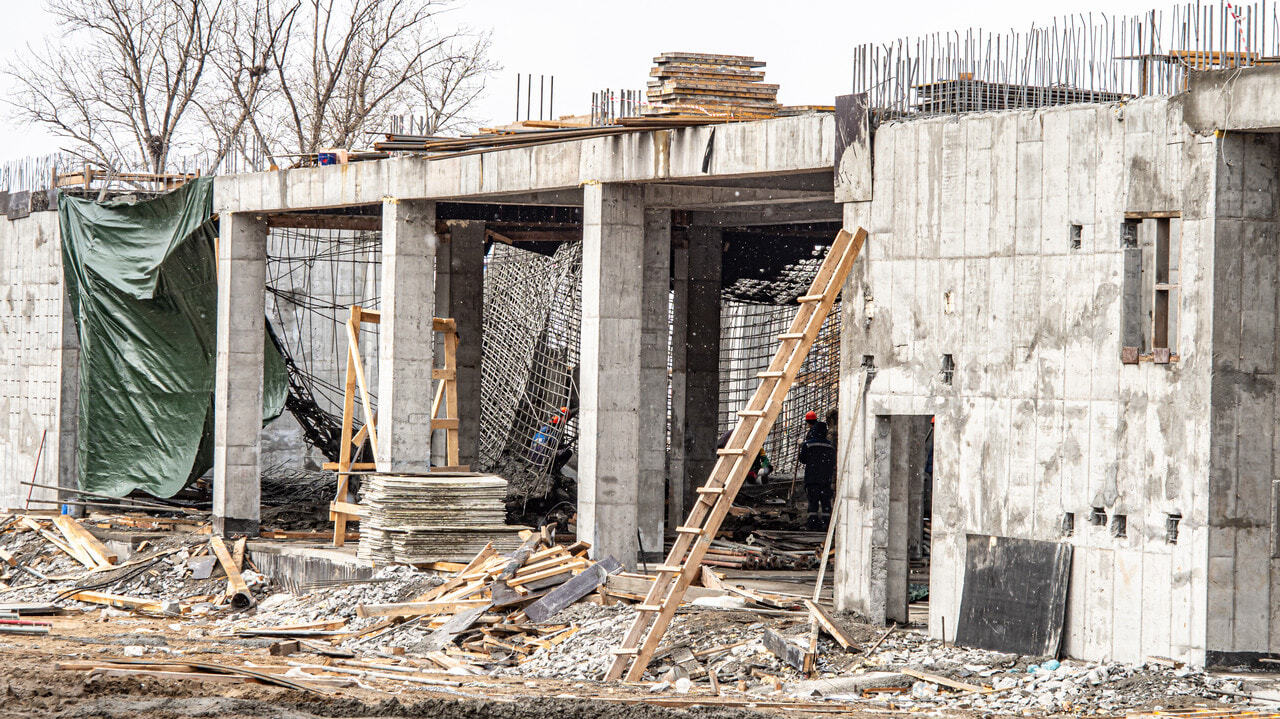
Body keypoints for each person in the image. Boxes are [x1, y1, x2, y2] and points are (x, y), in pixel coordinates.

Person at [799, 421, 836, 529]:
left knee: (813, 502)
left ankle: (812, 523)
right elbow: (833, 461)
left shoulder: (808, 444)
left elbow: (803, 459)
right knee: (826, 502)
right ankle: (826, 524)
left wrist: (802, 447)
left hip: (812, 479)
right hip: (826, 479)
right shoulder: (830, 446)